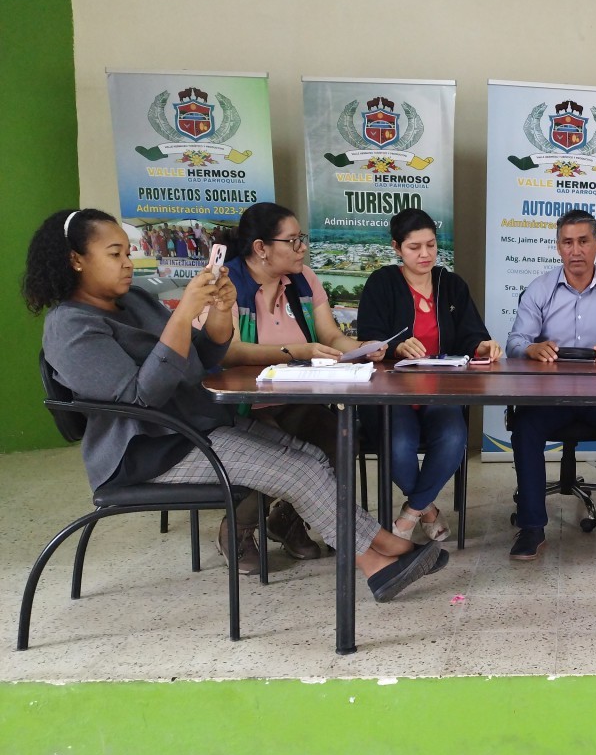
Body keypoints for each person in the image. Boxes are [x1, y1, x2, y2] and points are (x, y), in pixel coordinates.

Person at [23, 208, 448, 601]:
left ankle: (385, 543)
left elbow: (204, 355)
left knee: (312, 458)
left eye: (128, 253)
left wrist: (220, 311)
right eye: (115, 254)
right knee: (298, 472)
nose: (128, 263)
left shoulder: (135, 300)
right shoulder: (71, 327)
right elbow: (142, 396)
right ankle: (375, 563)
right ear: (76, 260)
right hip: (149, 451)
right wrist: (182, 313)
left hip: (194, 427)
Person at [221, 201, 388, 564]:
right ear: (261, 248)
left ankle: (287, 519)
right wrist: (294, 351)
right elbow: (229, 351)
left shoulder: (303, 280)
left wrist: (362, 348)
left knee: (341, 438)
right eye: (293, 241)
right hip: (244, 403)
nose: (302, 248)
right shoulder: (227, 283)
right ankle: (238, 529)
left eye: (302, 239)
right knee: (279, 454)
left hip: (297, 397)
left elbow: (330, 335)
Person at [505, 209, 596, 560]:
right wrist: (531, 348)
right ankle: (532, 526)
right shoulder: (540, 289)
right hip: (551, 400)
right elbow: (514, 342)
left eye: (583, 241)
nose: (575, 250)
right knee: (524, 427)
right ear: (558, 247)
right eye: (568, 242)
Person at [357, 208, 501, 543]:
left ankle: (409, 515)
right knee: (399, 445)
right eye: (414, 247)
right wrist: (396, 348)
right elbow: (370, 339)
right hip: (393, 393)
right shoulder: (382, 283)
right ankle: (429, 510)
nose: (425, 254)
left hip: (441, 390)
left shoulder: (451, 285)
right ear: (397, 248)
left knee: (453, 438)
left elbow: (471, 334)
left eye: (431, 245)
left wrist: (482, 345)